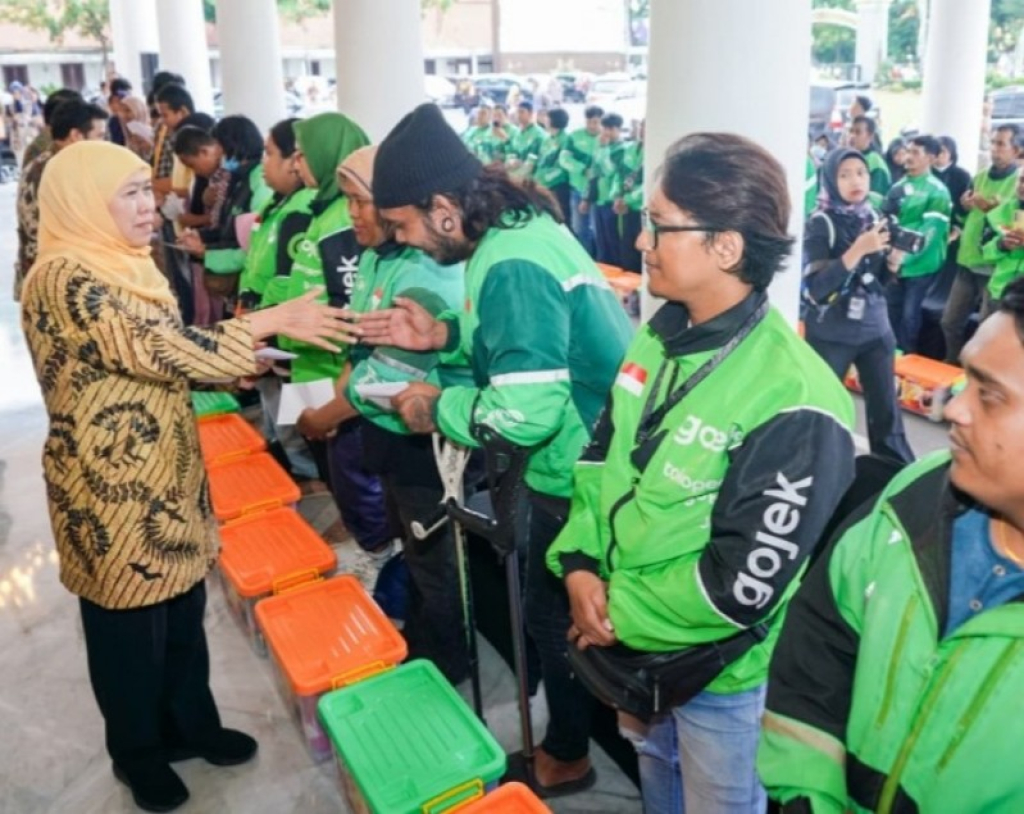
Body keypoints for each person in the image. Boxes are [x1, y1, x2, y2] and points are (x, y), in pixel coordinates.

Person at [18, 140, 354, 814]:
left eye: (149, 190)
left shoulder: (121, 262)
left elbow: (161, 359)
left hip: (164, 474)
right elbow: (150, 345)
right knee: (126, 634)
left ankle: (191, 726)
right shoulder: (61, 277)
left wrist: (236, 356)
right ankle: (138, 752)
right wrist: (269, 319)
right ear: (85, 203)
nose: (152, 206)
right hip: (108, 493)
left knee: (180, 616)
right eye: (132, 195)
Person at [546, 132, 856, 814]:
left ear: (726, 246)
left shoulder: (793, 398)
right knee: (657, 775)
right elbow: (603, 457)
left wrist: (611, 613)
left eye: (660, 225)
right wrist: (578, 562)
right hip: (630, 645)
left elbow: (739, 585)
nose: (641, 241)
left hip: (720, 677)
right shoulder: (661, 333)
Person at [359, 103, 633, 796]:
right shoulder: (517, 232)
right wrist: (444, 337)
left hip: (575, 476)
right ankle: (567, 747)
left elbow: (524, 410)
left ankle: (567, 757)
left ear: (445, 208)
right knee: (556, 620)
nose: (404, 242)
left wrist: (432, 406)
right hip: (579, 462)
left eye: (403, 225)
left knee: (557, 623)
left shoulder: (511, 262)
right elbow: (527, 351)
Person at [758, 278, 1024, 813]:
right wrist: (807, 796)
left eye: (989, 395)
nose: (954, 410)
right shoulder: (918, 494)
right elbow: (821, 645)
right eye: (964, 381)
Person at [335, 145, 473, 681]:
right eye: (346, 200)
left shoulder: (425, 266)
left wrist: (331, 411)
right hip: (386, 429)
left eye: (360, 202)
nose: (352, 214)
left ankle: (446, 665)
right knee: (414, 548)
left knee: (435, 557)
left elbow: (394, 363)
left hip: (424, 437)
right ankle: (421, 641)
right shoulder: (378, 255)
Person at [267, 112, 393, 559]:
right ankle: (350, 523)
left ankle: (372, 549)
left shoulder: (346, 218)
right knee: (324, 457)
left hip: (331, 369)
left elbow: (348, 309)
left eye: (303, 155)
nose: (298, 165)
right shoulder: (317, 208)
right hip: (305, 362)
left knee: (349, 465)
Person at [803, 149, 914, 464]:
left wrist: (893, 263)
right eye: (845, 174)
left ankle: (894, 473)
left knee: (886, 411)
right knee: (822, 408)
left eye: (861, 173)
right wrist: (856, 250)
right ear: (831, 179)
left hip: (876, 329)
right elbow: (816, 289)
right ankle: (817, 474)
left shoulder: (875, 218)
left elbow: (877, 279)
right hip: (831, 333)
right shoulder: (821, 222)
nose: (856, 181)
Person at [14, 99, 108, 300]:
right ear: (76, 135)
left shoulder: (47, 163)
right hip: (56, 282)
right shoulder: (60, 170)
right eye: (100, 136)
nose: (105, 143)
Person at [940, 125, 1020, 362]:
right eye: (992, 142)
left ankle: (975, 376)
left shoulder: (1019, 181)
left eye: (1001, 144)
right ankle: (952, 364)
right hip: (968, 261)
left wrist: (991, 208)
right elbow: (964, 218)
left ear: (1017, 150)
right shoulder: (980, 176)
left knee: (987, 329)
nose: (994, 150)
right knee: (949, 321)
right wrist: (964, 208)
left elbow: (1012, 224)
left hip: (995, 269)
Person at [885, 135, 952, 353]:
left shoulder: (938, 191)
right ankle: (889, 356)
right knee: (890, 310)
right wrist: (889, 254)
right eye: (908, 151)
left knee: (909, 315)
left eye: (916, 153)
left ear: (931, 158)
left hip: (920, 264)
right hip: (894, 262)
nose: (909, 156)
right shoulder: (898, 186)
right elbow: (887, 220)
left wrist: (903, 256)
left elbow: (930, 232)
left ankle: (908, 359)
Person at [559, 105, 604, 256]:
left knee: (598, 231)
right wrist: (582, 169)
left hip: (598, 193)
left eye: (597, 122)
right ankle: (585, 259)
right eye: (590, 122)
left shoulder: (605, 138)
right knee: (579, 229)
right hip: (577, 189)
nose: (593, 126)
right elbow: (564, 159)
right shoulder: (574, 137)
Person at [980, 168, 1024, 305]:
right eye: (1021, 180)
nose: (1023, 186)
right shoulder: (999, 212)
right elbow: (984, 250)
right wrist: (1002, 245)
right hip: (999, 290)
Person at [591, 113, 627, 267]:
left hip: (612, 201)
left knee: (613, 240)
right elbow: (595, 169)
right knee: (601, 240)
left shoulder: (622, 149)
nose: (606, 132)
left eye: (610, 129)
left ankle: (616, 269)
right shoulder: (601, 146)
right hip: (599, 198)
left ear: (618, 129)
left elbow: (608, 170)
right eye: (604, 128)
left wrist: (604, 149)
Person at [614, 118, 644, 273]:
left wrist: (627, 199)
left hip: (641, 208)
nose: (642, 129)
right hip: (625, 208)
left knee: (641, 249)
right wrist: (617, 196)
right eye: (641, 125)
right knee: (627, 247)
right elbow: (618, 175)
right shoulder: (629, 149)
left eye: (646, 126)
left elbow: (648, 185)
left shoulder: (654, 151)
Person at [533, 107, 572, 224]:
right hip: (542, 185)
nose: (544, 120)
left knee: (561, 218)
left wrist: (545, 180)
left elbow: (562, 167)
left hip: (558, 186)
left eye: (547, 118)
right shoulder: (547, 139)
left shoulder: (566, 139)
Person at [848, 116, 891, 198]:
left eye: (858, 132)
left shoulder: (876, 164)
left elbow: (875, 198)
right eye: (850, 131)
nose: (852, 136)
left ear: (870, 136)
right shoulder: (847, 159)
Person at [508, 100, 546, 178]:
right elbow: (511, 151)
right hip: (514, 175)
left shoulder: (539, 134)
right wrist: (511, 161)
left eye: (522, 112)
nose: (518, 115)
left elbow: (538, 159)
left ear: (530, 113)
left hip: (530, 178)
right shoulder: (516, 132)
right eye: (517, 112)